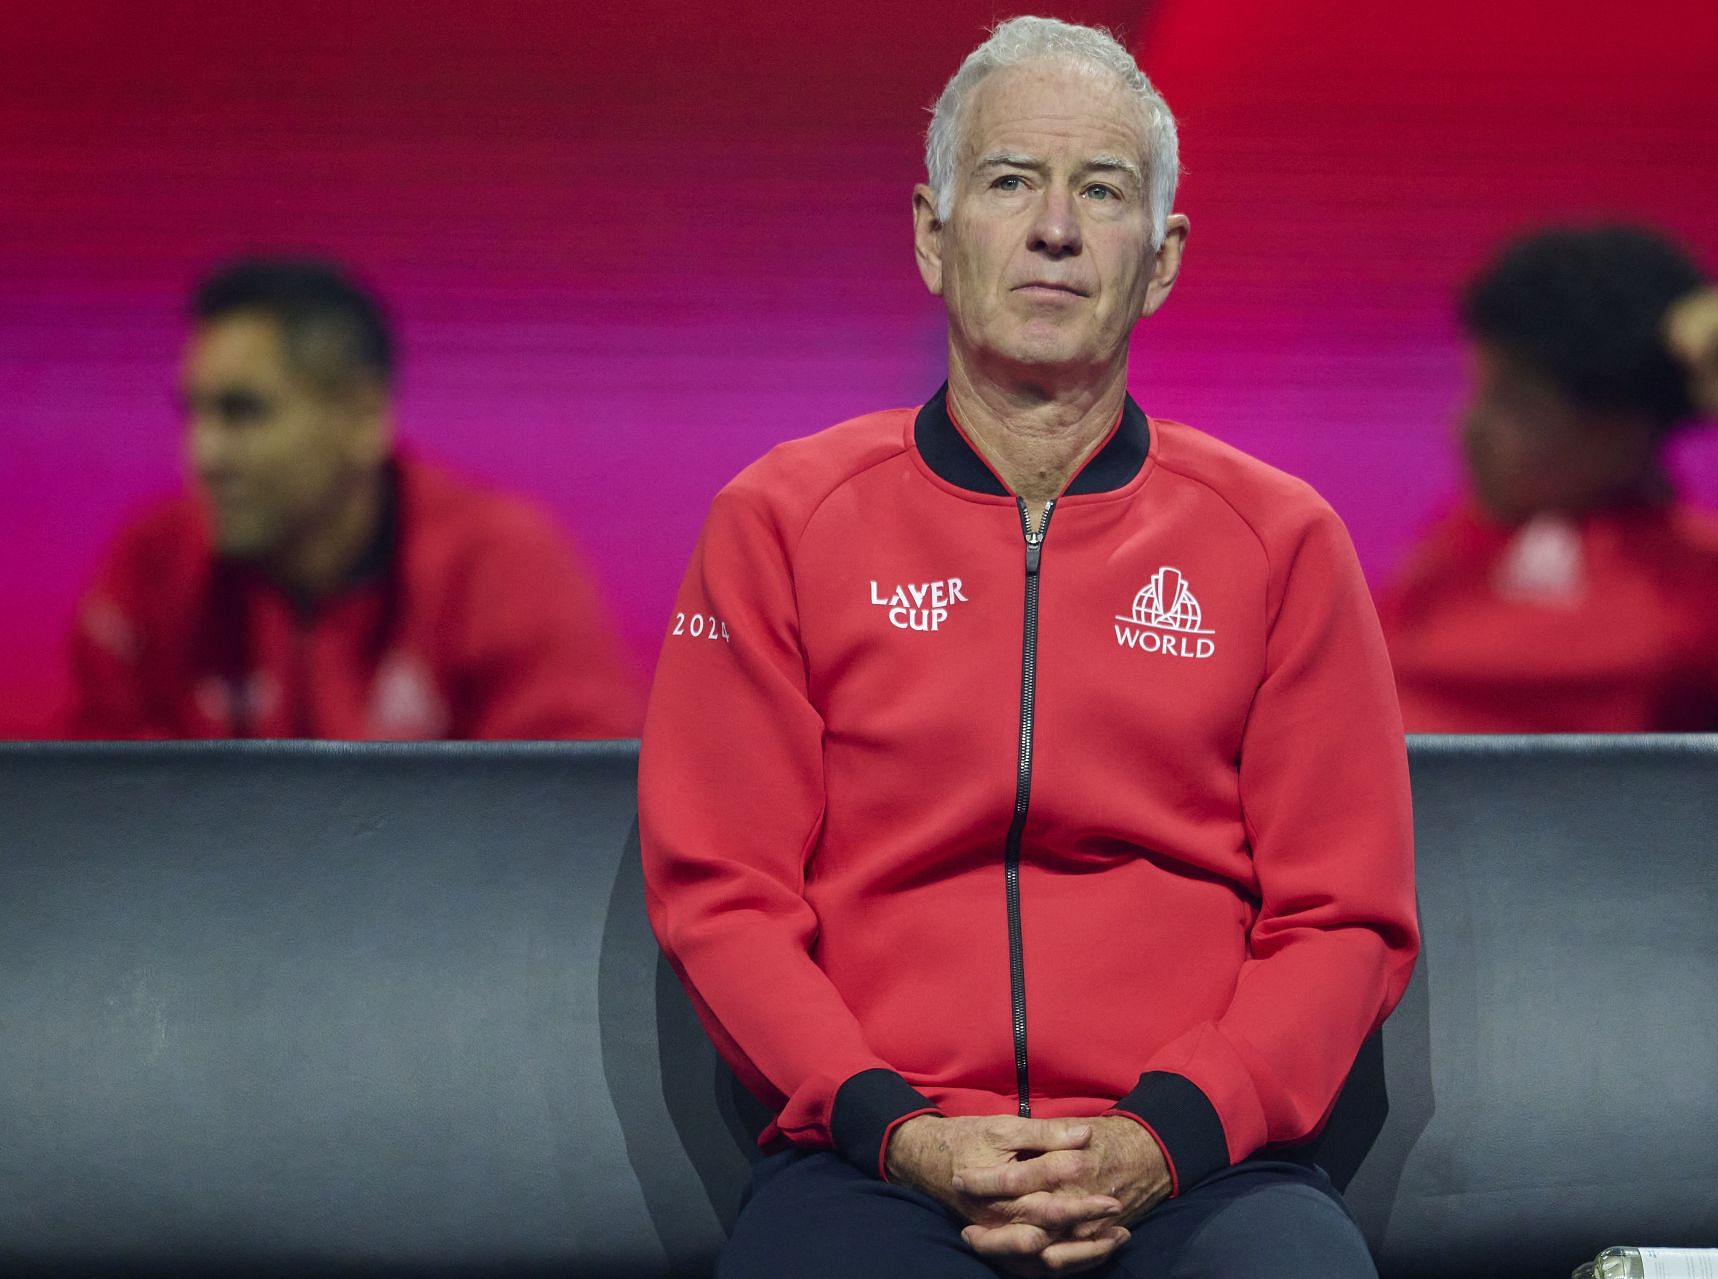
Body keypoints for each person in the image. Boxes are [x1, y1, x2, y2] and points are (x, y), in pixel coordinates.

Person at [639, 17, 1417, 1278]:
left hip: (1200, 1167)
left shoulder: (1281, 540)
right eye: (1010, 182)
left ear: (1159, 261)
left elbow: (1345, 918)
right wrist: (901, 1132)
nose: (1055, 227)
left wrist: (1161, 1138)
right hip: (874, 1160)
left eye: (1101, 192)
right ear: (933, 237)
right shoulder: (779, 521)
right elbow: (724, 898)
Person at [66, 257, 641, 739]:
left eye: (243, 412)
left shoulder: (498, 562)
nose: (204, 454)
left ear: (364, 414)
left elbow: (574, 823)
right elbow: (91, 824)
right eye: (194, 412)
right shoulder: (152, 567)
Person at [1379, 225, 1718, 732]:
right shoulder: (1455, 549)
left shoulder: (1717, 589)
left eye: (1514, 403)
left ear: (1625, 429)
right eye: (1477, 390)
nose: (1467, 429)